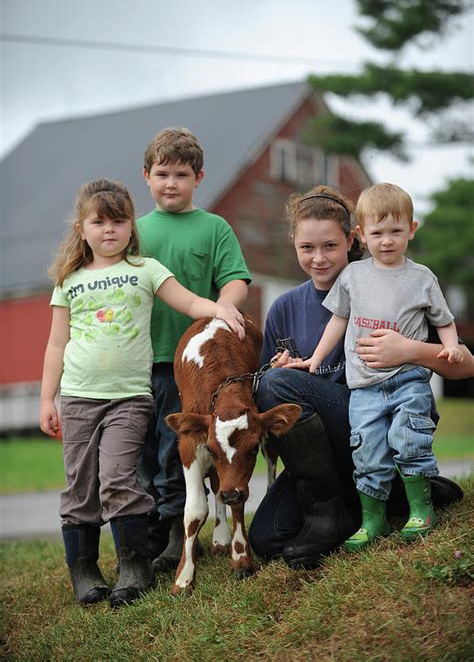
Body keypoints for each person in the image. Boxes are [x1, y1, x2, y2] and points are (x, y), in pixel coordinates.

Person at [39, 178, 245, 608]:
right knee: (81, 483)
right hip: (78, 398)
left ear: (132, 227)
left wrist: (221, 308)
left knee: (120, 477)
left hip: (130, 398)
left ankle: (135, 567)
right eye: (99, 221)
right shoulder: (69, 280)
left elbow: (189, 303)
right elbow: (56, 343)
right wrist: (47, 398)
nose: (109, 229)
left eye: (119, 220)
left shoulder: (146, 270)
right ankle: (84, 570)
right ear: (82, 228)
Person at [248, 185, 473, 569]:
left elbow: (465, 364)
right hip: (318, 455)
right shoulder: (284, 307)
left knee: (278, 385)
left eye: (330, 246)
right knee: (267, 539)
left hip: (376, 413)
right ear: (294, 243)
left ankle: (330, 515)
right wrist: (278, 370)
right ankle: (388, 498)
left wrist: (410, 350)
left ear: (352, 238)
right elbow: (269, 394)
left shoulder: (392, 282)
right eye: (307, 248)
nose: (318, 258)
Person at [137, 128, 251, 572]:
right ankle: (146, 529)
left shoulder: (214, 227)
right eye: (162, 173)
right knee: (141, 449)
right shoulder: (135, 231)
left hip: (190, 364)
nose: (171, 183)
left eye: (181, 174)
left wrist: (226, 304)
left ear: (198, 177)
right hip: (135, 359)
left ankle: (175, 534)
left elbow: (236, 279)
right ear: (146, 176)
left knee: (174, 448)